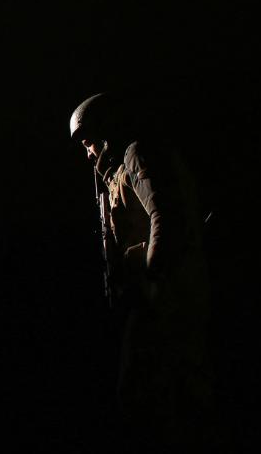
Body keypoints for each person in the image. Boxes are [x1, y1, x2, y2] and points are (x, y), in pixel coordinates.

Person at [69, 92, 223, 451]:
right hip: (156, 293)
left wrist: (151, 276)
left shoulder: (137, 154)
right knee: (164, 393)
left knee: (159, 394)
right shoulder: (115, 176)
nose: (88, 151)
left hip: (168, 292)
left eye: (90, 141)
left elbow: (166, 219)